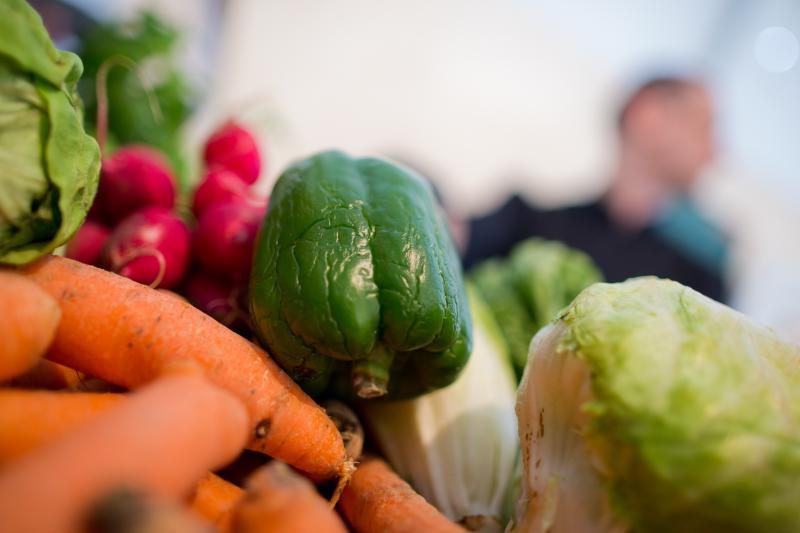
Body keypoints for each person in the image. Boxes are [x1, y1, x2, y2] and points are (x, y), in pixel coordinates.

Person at [462, 76, 728, 302]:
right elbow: (452, 240)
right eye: (704, 126)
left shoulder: (699, 277)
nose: (714, 152)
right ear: (648, 115)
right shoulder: (527, 223)